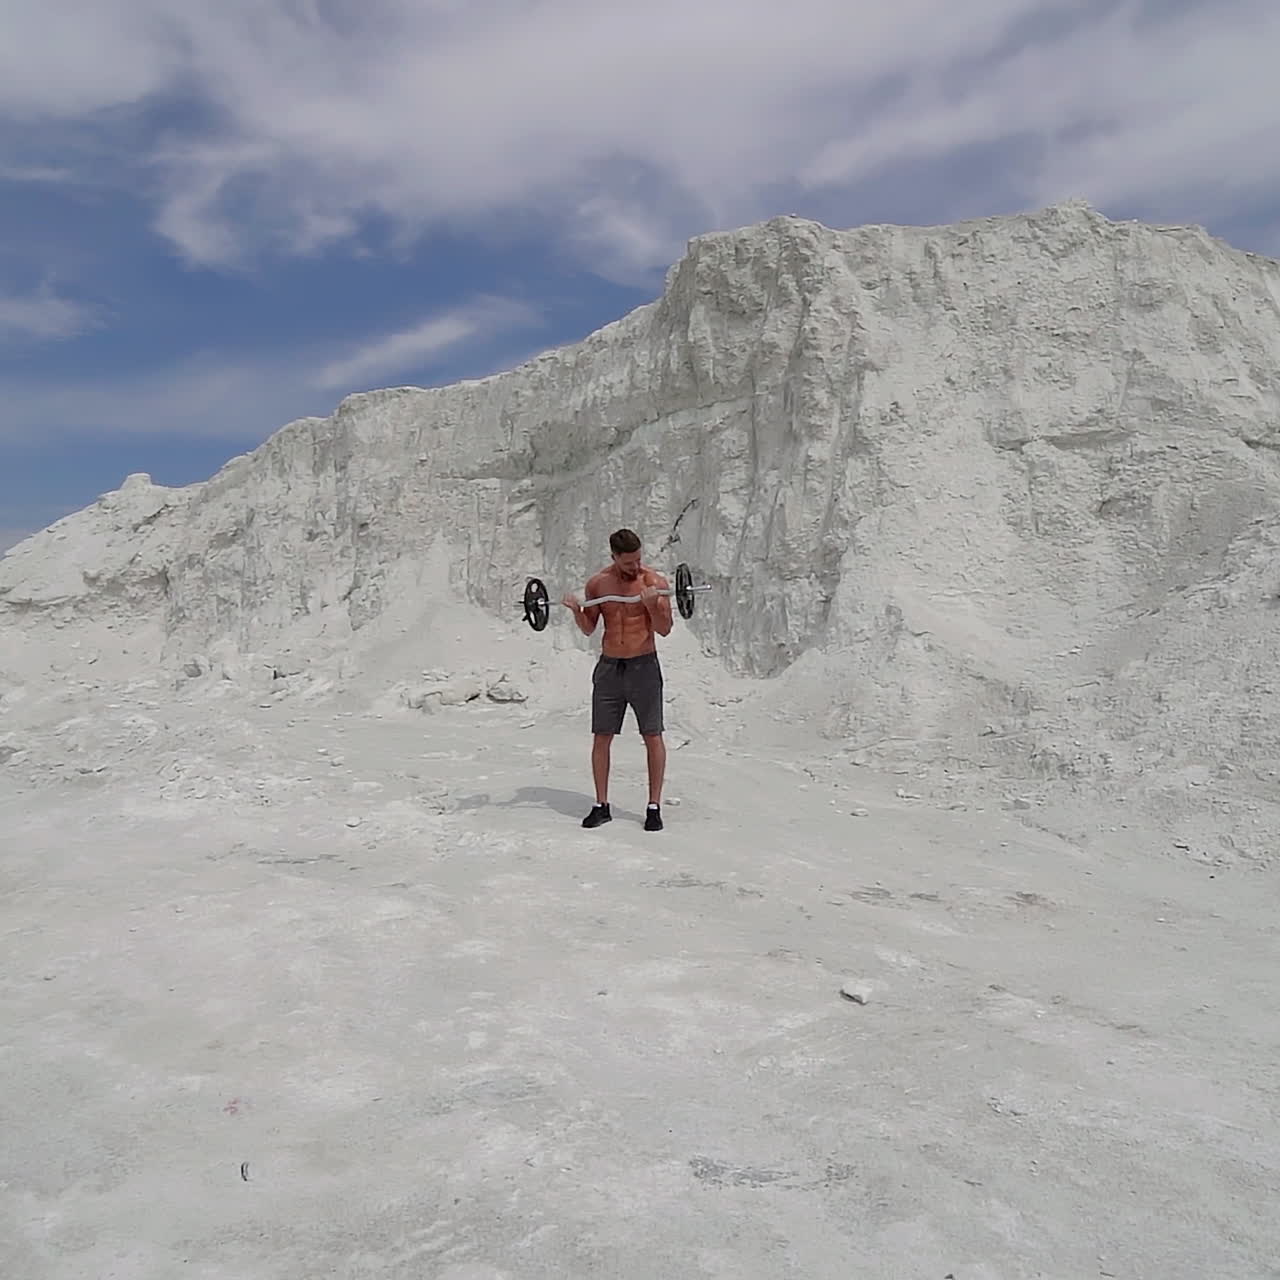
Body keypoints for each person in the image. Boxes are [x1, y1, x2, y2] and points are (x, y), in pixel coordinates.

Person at [560, 528, 672, 831]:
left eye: (637, 560)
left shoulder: (654, 583)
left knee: (652, 735)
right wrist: (575, 610)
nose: (634, 567)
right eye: (627, 563)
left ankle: (653, 807)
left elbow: (665, 629)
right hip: (609, 668)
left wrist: (651, 605)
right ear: (614, 558)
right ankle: (601, 805)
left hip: (644, 667)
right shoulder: (598, 584)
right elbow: (588, 628)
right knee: (601, 737)